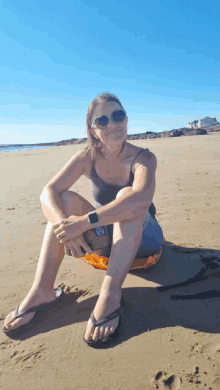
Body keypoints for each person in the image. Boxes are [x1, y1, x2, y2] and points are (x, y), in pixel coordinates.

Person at [2, 92, 163, 346]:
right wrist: (68, 229)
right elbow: (48, 192)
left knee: (127, 196)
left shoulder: (143, 158)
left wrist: (85, 222)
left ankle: (110, 295)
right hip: (108, 236)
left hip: (145, 236)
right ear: (93, 129)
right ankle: (42, 290)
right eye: (103, 121)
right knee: (64, 201)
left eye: (118, 116)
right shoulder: (86, 157)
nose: (112, 124)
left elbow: (141, 198)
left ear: (127, 120)